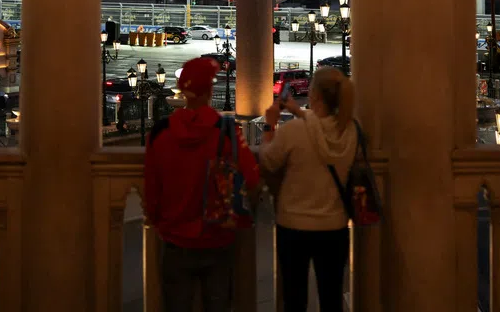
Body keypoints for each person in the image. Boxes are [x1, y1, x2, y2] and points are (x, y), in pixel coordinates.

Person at [144, 57, 259, 312]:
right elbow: (251, 178)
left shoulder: (161, 133)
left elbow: (151, 190)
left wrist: (160, 222)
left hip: (175, 239)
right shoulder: (227, 132)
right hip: (217, 237)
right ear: (210, 91)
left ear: (182, 90)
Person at [259, 67, 358, 312]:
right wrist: (298, 111)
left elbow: (268, 161)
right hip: (334, 226)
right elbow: (318, 127)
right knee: (331, 297)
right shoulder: (350, 132)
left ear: (313, 94)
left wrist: (270, 126)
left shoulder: (293, 131)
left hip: (294, 225)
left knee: (294, 299)